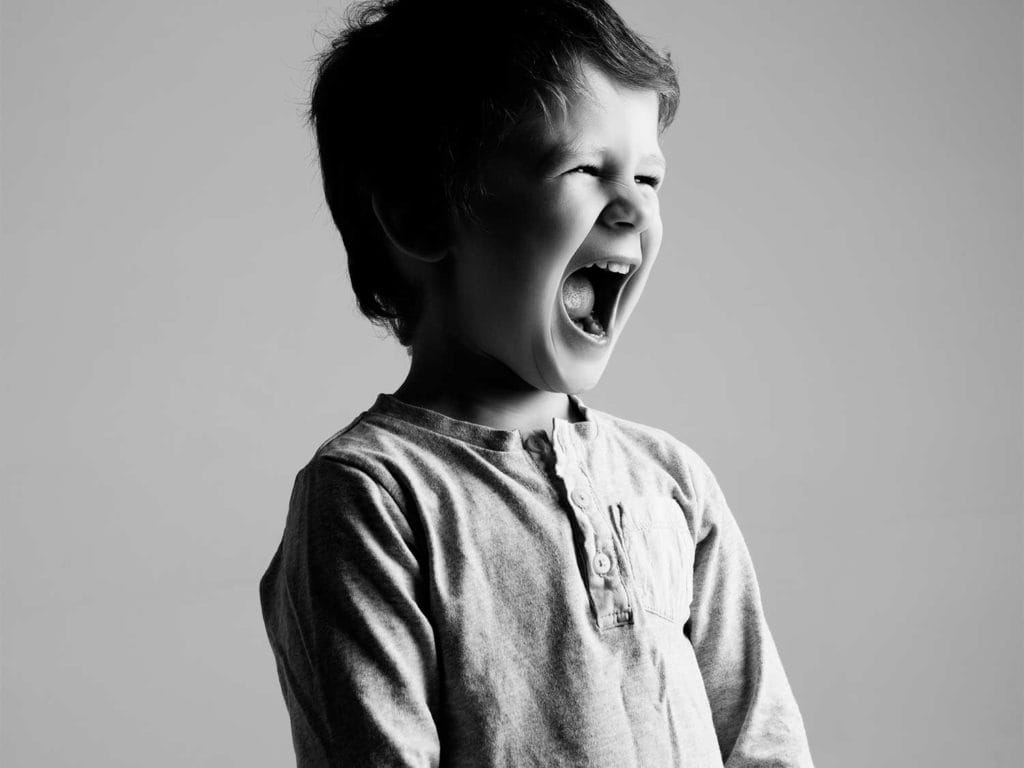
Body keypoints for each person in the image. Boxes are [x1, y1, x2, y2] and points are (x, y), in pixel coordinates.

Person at [259, 1, 815, 765]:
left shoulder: (674, 483)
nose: (633, 208)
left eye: (649, 177)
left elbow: (766, 743)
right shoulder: (372, 496)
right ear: (422, 214)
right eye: (585, 169)